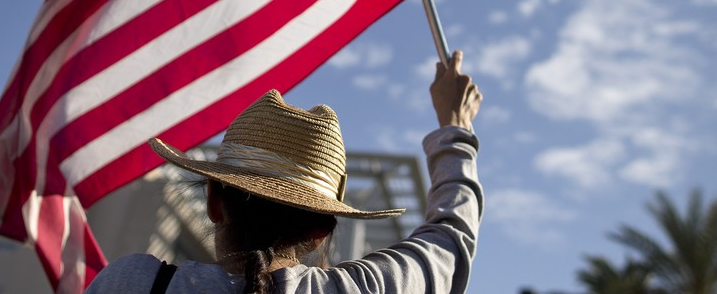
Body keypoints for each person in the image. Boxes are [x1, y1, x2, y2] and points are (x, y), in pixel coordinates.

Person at [85, 49, 482, 294]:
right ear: (321, 231)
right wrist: (455, 127)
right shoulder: (365, 289)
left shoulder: (135, 282)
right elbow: (449, 240)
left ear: (213, 201)